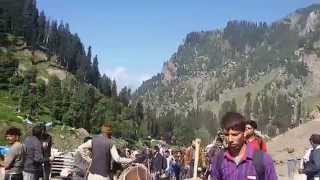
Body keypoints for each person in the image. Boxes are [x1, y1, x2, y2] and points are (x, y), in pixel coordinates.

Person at [210, 112, 277, 180]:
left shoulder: (263, 160)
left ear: (244, 132)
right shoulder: (219, 159)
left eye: (235, 135)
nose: (230, 139)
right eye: (226, 135)